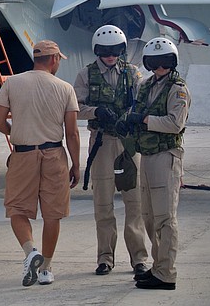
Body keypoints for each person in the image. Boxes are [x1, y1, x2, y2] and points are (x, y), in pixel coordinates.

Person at [0, 40, 80, 287]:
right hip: (53, 154)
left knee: (17, 209)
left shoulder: (12, 83)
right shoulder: (65, 88)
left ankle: (31, 252)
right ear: (53, 59)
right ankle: (46, 269)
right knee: (53, 215)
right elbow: (72, 132)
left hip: (23, 154)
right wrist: (76, 165)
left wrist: (15, 131)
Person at [74, 25, 149, 278]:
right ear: (97, 51)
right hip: (102, 142)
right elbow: (76, 108)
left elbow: (142, 103)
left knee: (134, 202)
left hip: (127, 142)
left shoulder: (132, 73)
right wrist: (96, 112)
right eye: (106, 51)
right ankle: (105, 258)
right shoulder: (86, 75)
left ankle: (139, 258)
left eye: (115, 51)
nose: (110, 56)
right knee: (103, 203)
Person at [116, 37, 190, 291]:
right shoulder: (145, 86)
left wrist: (144, 119)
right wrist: (127, 121)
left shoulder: (177, 89)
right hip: (146, 156)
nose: (160, 68)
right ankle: (158, 267)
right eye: (154, 63)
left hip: (166, 155)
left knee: (165, 218)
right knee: (148, 216)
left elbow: (174, 123)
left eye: (165, 62)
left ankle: (166, 273)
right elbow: (136, 111)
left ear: (172, 63)